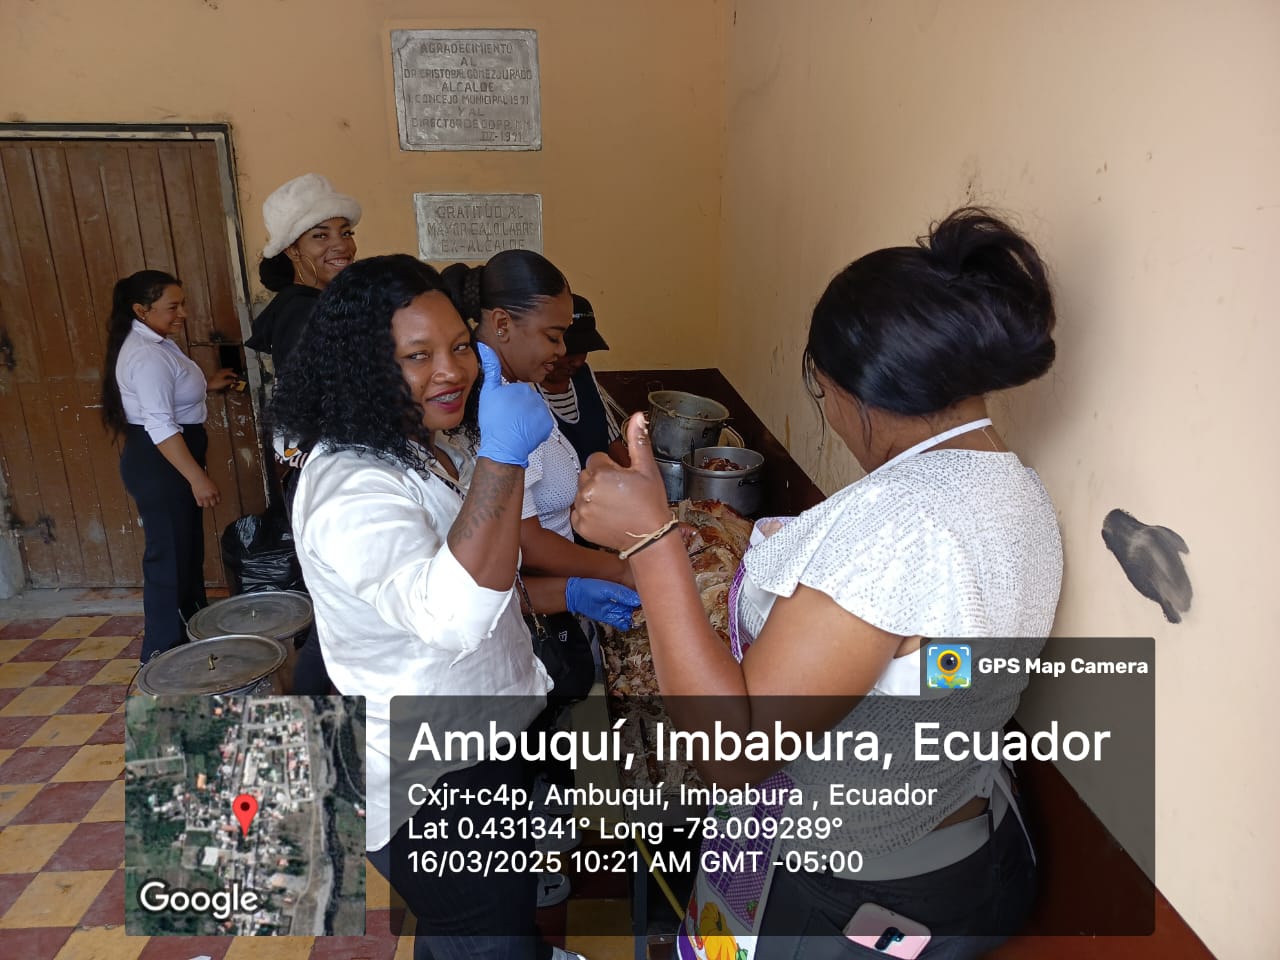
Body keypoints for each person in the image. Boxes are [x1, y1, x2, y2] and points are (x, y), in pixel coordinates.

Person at [572, 208, 1063, 959]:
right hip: (975, 843)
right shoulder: (1015, 488)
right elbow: (918, 654)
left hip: (857, 892)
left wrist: (652, 544)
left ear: (852, 388)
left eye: (820, 389)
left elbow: (734, 755)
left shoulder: (898, 527)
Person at [271, 254, 610, 960]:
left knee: (470, 932)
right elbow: (451, 616)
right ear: (364, 366)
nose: (451, 371)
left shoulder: (418, 449)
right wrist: (505, 459)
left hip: (478, 741)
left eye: (459, 346)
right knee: (491, 939)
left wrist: (569, 592)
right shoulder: (352, 488)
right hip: (427, 780)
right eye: (417, 356)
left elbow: (478, 585)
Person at [246, 172, 360, 694]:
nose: (340, 245)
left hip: (326, 470)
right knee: (340, 612)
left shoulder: (320, 305)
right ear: (292, 250)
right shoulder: (302, 313)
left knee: (341, 609)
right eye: (320, 236)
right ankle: (311, 714)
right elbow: (306, 406)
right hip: (330, 475)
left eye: (344, 232)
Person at [101, 270, 238, 662]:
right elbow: (160, 424)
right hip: (162, 459)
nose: (183, 314)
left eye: (183, 304)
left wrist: (206, 385)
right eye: (172, 307)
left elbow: (166, 395)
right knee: (168, 556)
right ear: (141, 310)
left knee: (186, 550)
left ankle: (190, 630)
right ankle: (162, 651)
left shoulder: (157, 343)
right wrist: (196, 477)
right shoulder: (147, 355)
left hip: (169, 454)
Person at [536, 294, 630, 468]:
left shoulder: (584, 377)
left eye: (584, 351)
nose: (578, 362)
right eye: (570, 352)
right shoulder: (526, 390)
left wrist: (636, 475)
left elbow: (612, 440)